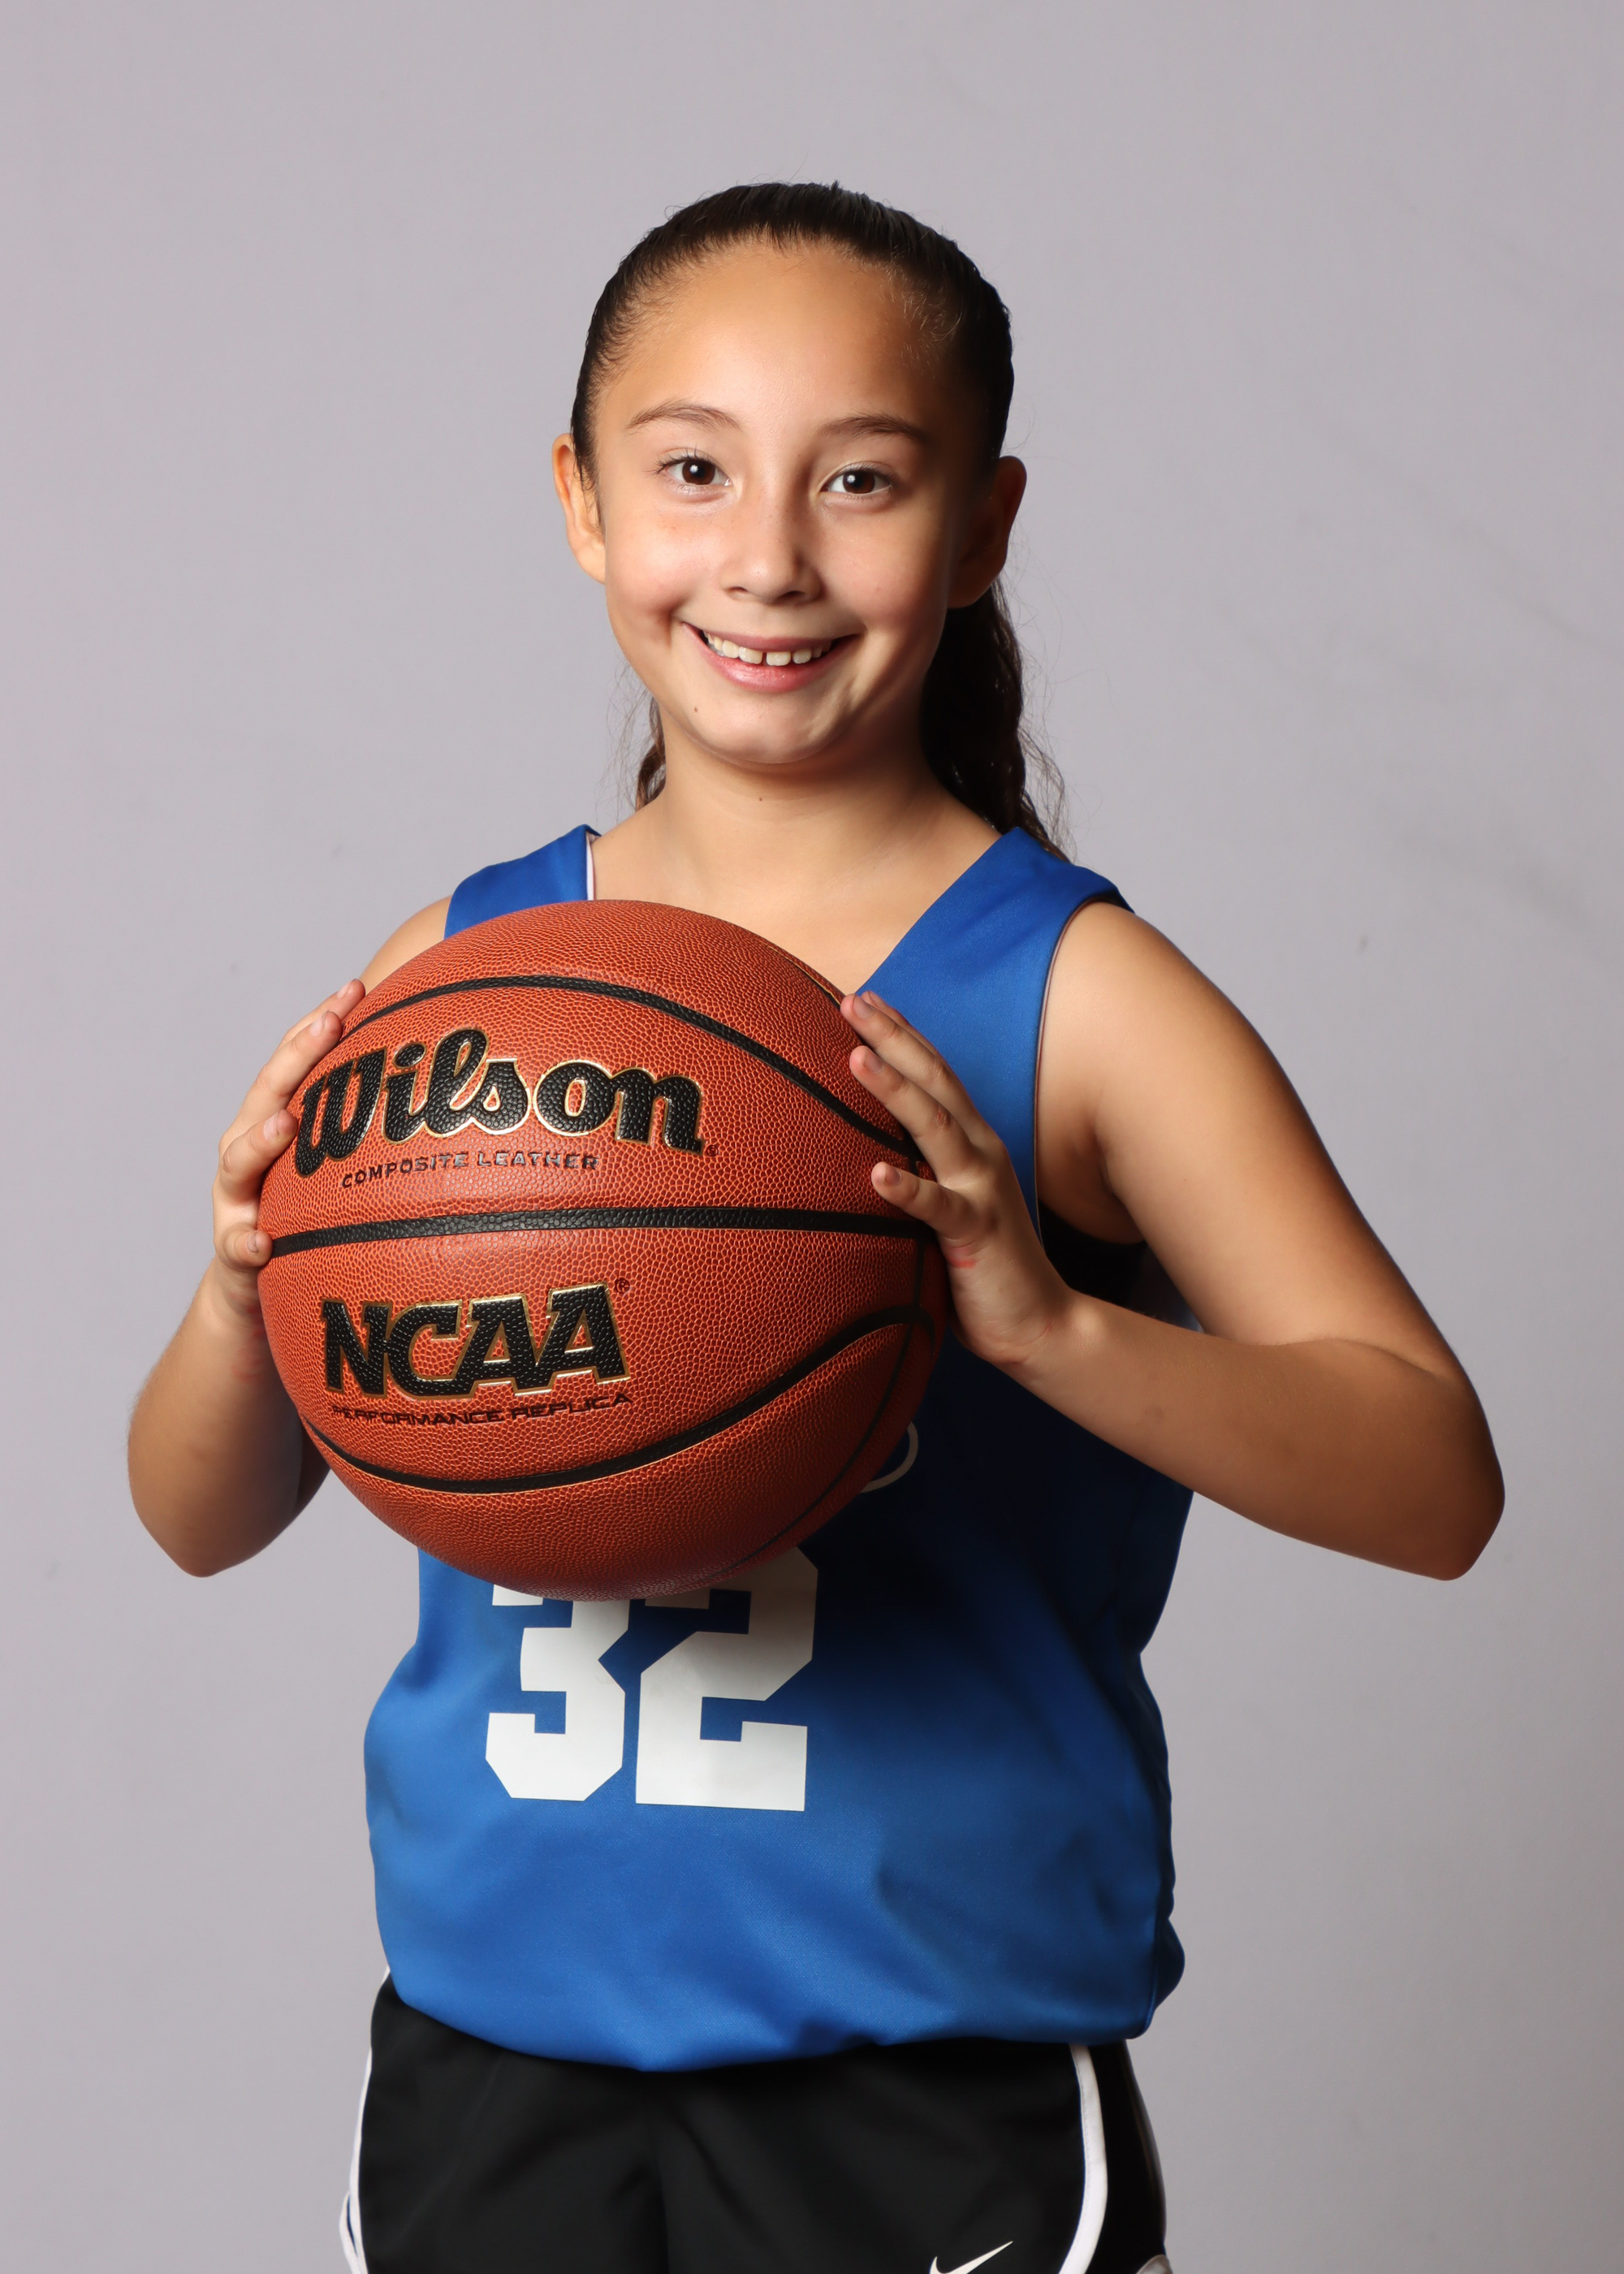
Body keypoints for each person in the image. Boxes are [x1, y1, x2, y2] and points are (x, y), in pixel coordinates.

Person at [127, 184, 1502, 2274]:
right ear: (582, 502)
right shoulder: (467, 971)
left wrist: (1049, 1329)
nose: (767, 554)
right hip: (497, 2052)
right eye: (692, 470)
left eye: (860, 479)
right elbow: (197, 1515)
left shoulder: (1077, 1000)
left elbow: (1432, 1476)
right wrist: (250, 1290)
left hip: (921, 2061)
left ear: (984, 526)